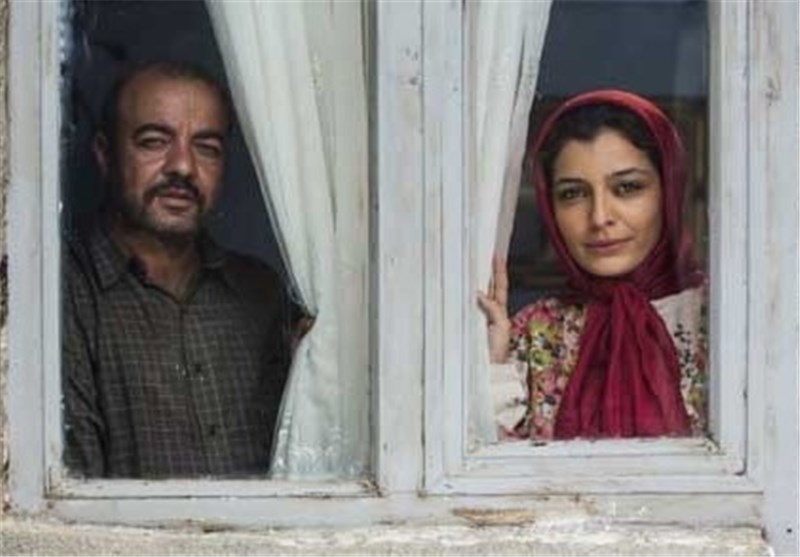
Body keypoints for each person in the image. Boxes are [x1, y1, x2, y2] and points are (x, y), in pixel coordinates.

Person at [63, 61, 302, 478]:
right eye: (154, 142)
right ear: (105, 153)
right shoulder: (60, 292)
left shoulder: (261, 293)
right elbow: (65, 496)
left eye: (206, 147)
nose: (183, 167)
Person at [479, 89, 707, 441]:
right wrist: (491, 365)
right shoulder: (534, 333)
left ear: (670, 192)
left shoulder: (720, 321)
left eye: (627, 187)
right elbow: (486, 465)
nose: (599, 217)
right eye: (573, 194)